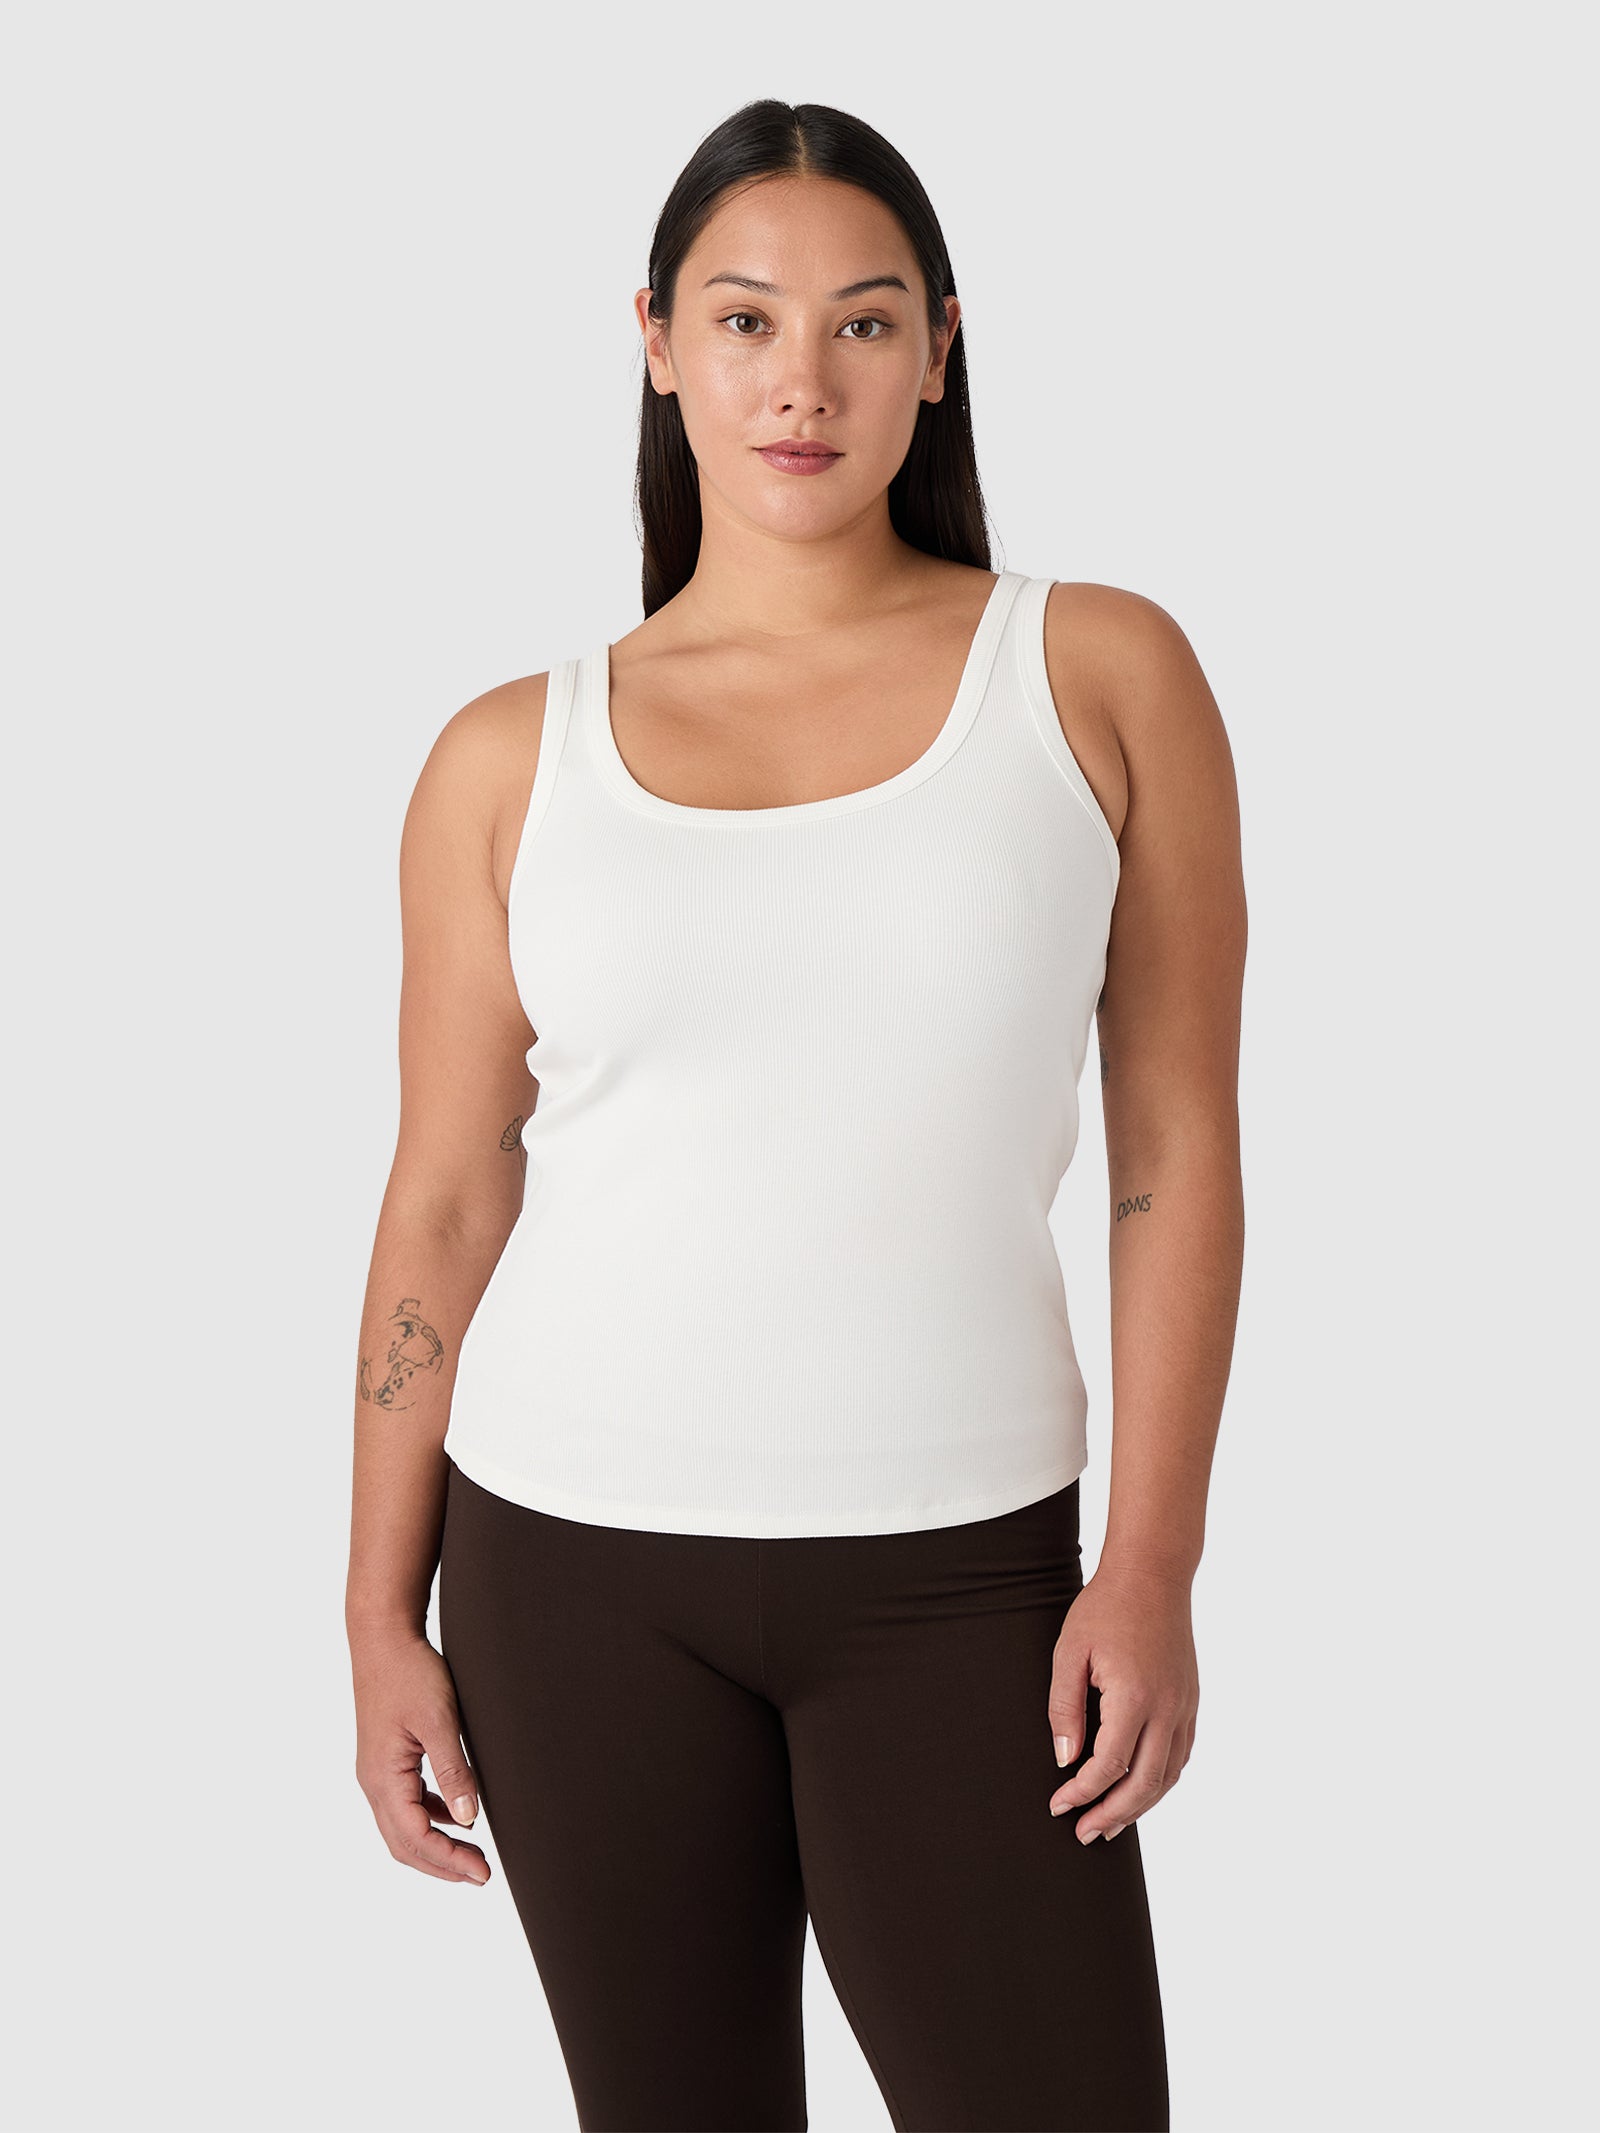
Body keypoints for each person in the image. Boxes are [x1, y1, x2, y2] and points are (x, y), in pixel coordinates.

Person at [346, 97, 1245, 2133]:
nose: (801, 381)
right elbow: (444, 1196)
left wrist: (1152, 1561)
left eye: (863, 322)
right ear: (658, 342)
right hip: (567, 1572)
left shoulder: (1096, 673)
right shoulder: (509, 755)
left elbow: (1175, 1152)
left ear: (940, 348)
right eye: (746, 320)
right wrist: (374, 1607)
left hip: (965, 1581)